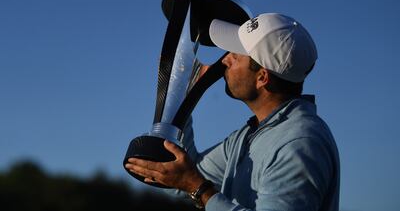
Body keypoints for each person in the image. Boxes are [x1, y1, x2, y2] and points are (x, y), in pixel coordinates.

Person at [125, 13, 340, 211]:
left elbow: (193, 182)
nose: (224, 60)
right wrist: (181, 94)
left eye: (235, 55)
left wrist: (199, 189)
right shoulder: (249, 135)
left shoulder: (299, 143)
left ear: (262, 78)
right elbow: (184, 175)